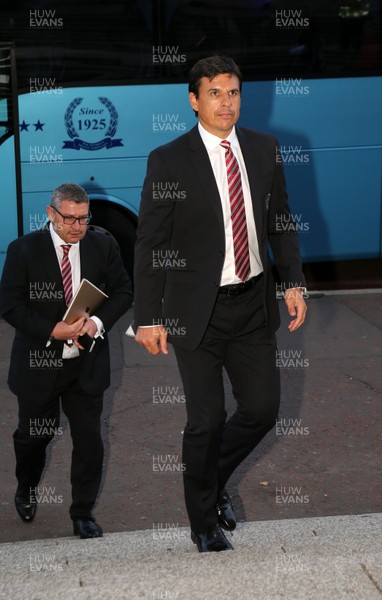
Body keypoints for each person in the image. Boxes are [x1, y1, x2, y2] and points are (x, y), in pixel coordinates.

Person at [133, 56, 307, 552]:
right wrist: (147, 317)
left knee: (262, 409)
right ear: (194, 100)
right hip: (195, 312)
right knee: (206, 420)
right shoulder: (168, 159)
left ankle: (211, 482)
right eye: (215, 93)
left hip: (252, 304)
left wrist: (293, 282)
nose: (226, 102)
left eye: (233, 92)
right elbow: (149, 243)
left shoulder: (264, 148)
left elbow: (282, 222)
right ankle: (202, 521)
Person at [0, 183, 132, 538]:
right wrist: (52, 330)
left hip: (85, 365)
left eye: (83, 218)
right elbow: (10, 306)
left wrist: (97, 322)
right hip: (38, 365)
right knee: (33, 439)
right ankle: (26, 487)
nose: (77, 226)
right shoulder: (23, 250)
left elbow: (123, 290)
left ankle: (82, 513)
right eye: (69, 218)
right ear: (50, 214)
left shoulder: (102, 244)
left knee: (89, 441)